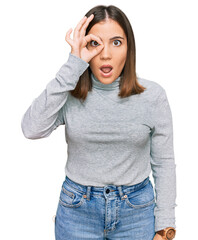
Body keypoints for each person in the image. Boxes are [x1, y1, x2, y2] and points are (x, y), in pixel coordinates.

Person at [21, 5, 177, 240]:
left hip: (136, 212)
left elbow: (164, 163)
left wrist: (165, 230)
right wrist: (73, 65)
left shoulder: (153, 96)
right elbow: (31, 129)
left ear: (128, 48)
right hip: (77, 211)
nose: (105, 54)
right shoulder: (69, 94)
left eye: (116, 42)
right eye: (95, 43)